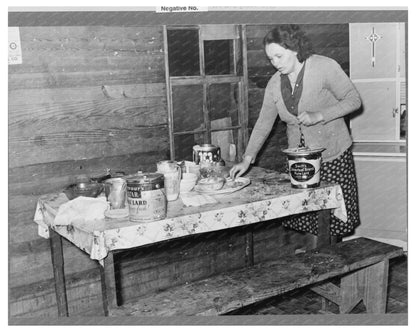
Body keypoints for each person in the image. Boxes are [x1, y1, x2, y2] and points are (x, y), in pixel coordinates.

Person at [230, 24, 362, 237]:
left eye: (279, 56)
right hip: (299, 162)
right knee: (308, 220)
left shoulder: (323, 67)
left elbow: (354, 100)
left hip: (332, 156)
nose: (275, 63)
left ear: (294, 49)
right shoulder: (274, 84)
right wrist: (247, 158)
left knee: (331, 222)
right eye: (271, 59)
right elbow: (264, 123)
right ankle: (313, 262)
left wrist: (320, 115)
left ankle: (327, 261)